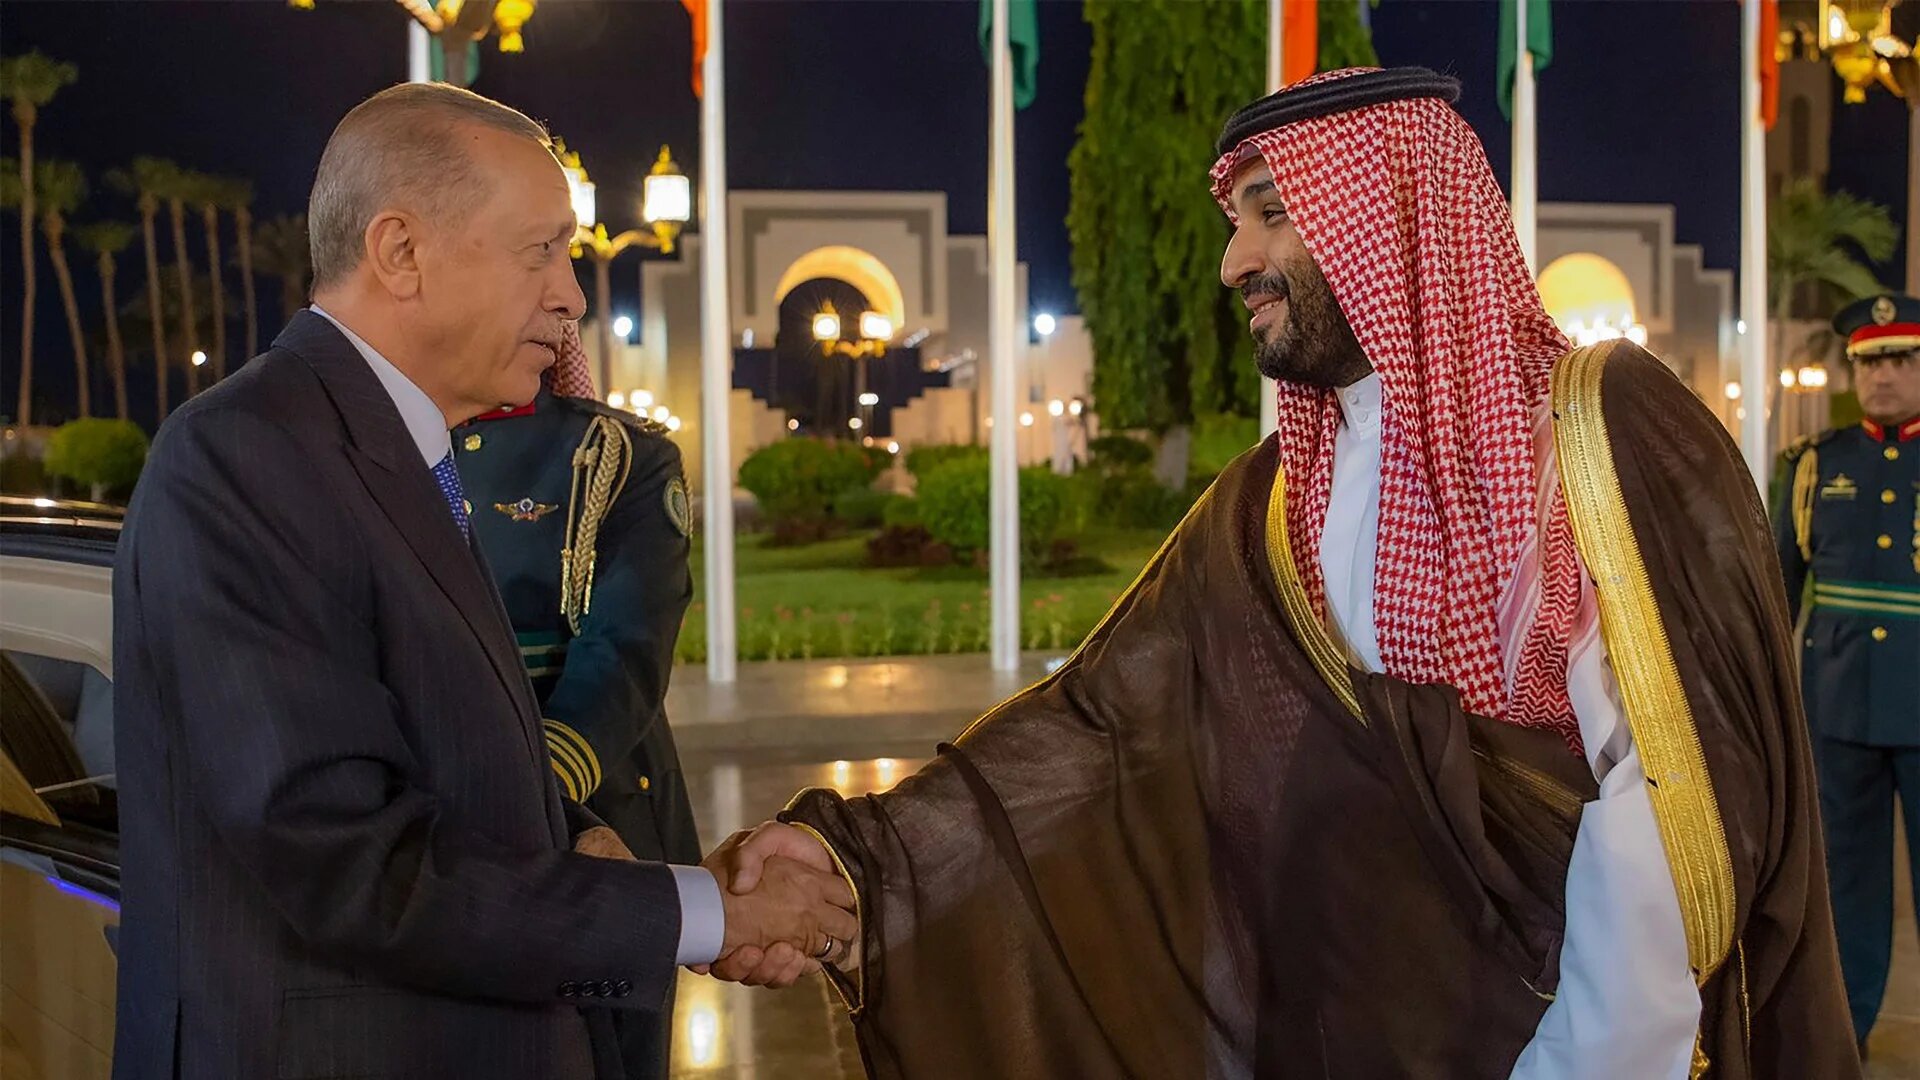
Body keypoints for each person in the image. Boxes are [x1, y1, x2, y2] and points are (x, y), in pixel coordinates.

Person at [705, 68, 1859, 1078]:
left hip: (1555, 1043)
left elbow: (1669, 794)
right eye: (1235, 221)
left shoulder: (1590, 435)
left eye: (1273, 213)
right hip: (1332, 1030)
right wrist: (856, 863)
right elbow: (1098, 726)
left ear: (1390, 213)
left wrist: (1581, 1064)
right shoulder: (1267, 500)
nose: (1233, 261)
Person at [110, 82, 852, 1080]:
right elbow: (347, 856)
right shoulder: (246, 457)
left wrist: (598, 854)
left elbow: (445, 765)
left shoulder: (393, 453)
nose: (573, 297)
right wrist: (708, 913)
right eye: (540, 250)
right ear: (400, 251)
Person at [455, 322, 701, 1079]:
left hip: (599, 799)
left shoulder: (620, 456)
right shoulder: (390, 446)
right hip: (447, 814)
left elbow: (625, 650)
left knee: (609, 1057)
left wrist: (539, 788)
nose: (559, 302)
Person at [1774, 292, 1920, 1057]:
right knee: (1847, 888)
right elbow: (1778, 593)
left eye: (1900, 360)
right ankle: (1845, 1036)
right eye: (1869, 363)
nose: (1883, 377)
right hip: (1838, 714)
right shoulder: (1812, 467)